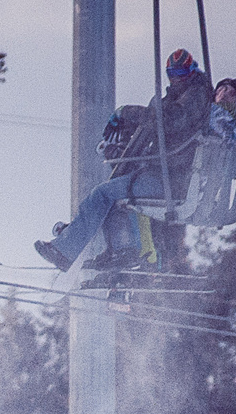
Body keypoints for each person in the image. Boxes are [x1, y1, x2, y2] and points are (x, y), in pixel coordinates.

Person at [36, 49, 214, 272]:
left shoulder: (195, 97)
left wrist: (126, 112)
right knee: (113, 189)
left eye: (181, 74)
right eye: (172, 74)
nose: (176, 79)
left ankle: (65, 250)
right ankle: (122, 250)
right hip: (168, 173)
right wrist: (127, 128)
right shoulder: (185, 96)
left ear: (192, 70)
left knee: (103, 193)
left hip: (171, 180)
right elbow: (157, 119)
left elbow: (168, 120)